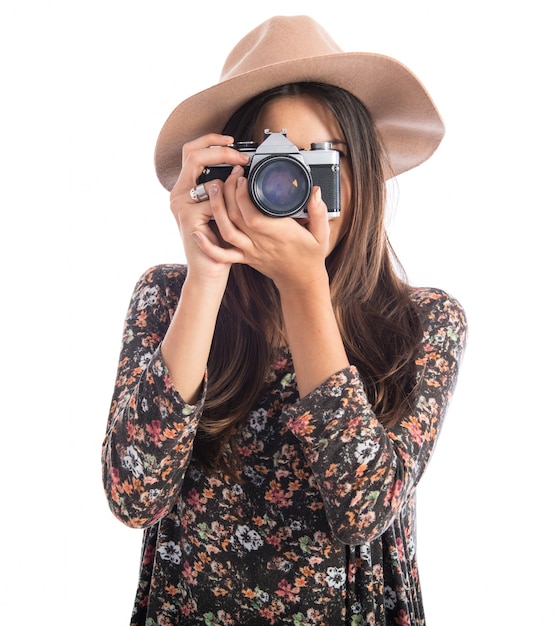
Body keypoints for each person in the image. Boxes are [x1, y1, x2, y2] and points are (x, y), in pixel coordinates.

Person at [102, 15, 467, 626]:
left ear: (366, 175)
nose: (292, 187)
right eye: (271, 163)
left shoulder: (423, 322)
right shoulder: (168, 296)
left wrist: (306, 289)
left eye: (322, 160)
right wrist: (207, 272)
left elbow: (363, 511)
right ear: (225, 175)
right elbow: (132, 498)